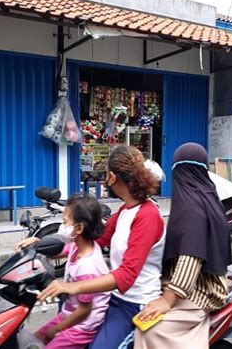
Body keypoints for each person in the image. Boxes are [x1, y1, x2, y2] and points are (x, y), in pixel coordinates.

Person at [37, 145, 165, 349]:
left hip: (134, 304)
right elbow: (93, 240)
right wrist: (40, 246)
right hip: (112, 297)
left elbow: (127, 274)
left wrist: (71, 286)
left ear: (112, 177)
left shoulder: (148, 215)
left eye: (106, 174)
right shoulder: (125, 210)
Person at [134, 142, 232, 349]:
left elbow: (191, 256)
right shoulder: (206, 197)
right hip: (193, 282)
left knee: (149, 329)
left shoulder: (191, 208)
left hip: (201, 289)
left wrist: (168, 300)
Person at [17, 193, 110, 348]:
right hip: (69, 312)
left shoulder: (88, 267)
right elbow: (58, 251)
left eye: (65, 222)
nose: (62, 227)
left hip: (82, 326)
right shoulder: (77, 246)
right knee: (35, 340)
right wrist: (36, 244)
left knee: (45, 340)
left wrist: (57, 329)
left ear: (79, 228)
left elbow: (84, 310)